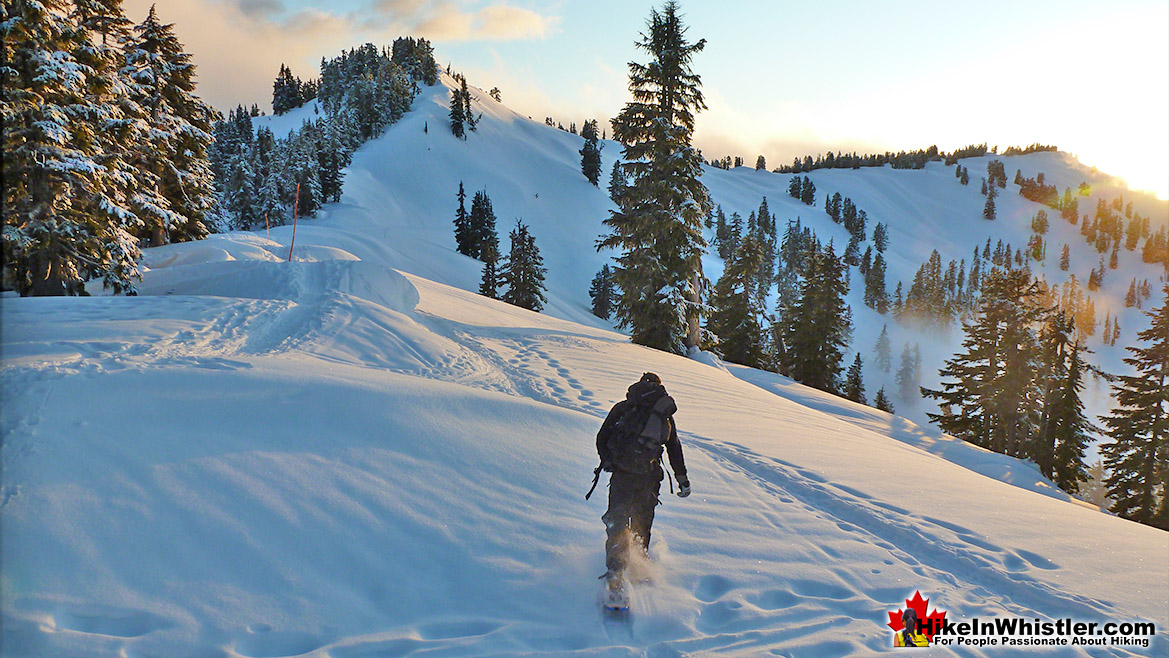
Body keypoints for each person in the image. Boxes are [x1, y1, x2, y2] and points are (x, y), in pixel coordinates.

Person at [595, 372, 690, 583]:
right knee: (642, 521)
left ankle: (615, 570)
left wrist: (609, 461)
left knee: (617, 518)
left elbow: (602, 436)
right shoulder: (663, 415)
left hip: (623, 475)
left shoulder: (623, 407)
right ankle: (640, 568)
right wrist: (682, 478)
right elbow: (674, 448)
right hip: (649, 477)